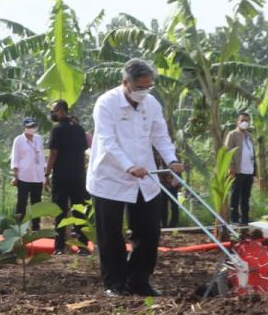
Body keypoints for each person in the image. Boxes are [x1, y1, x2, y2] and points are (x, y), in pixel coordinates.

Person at [87, 58, 182, 297]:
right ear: (125, 83)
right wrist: (129, 166)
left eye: (148, 87)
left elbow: (160, 135)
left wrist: (171, 161)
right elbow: (108, 141)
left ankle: (139, 281)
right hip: (109, 176)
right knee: (110, 234)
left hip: (145, 177)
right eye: (140, 87)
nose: (144, 92)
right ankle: (115, 284)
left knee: (149, 231)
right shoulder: (106, 103)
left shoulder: (152, 104)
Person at [45, 100, 89, 254]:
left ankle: (59, 247)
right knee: (79, 210)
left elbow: (53, 153)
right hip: (78, 176)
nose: (53, 113)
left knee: (60, 211)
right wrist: (82, 172)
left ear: (61, 110)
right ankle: (83, 245)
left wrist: (46, 174)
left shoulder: (57, 129)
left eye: (54, 110)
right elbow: (83, 154)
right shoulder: (79, 128)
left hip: (61, 176)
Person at [10, 117, 45, 230]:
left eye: (33, 126)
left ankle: (36, 227)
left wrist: (45, 174)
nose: (31, 129)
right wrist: (15, 176)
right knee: (21, 203)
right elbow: (15, 159)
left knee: (37, 203)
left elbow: (42, 156)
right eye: (29, 127)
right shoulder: (18, 140)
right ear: (24, 127)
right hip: (24, 176)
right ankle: (19, 227)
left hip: (37, 176)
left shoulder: (39, 138)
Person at [225, 112, 256, 225]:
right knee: (235, 195)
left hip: (249, 171)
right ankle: (234, 218)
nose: (244, 123)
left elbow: (253, 153)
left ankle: (245, 219)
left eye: (247, 121)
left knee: (245, 196)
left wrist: (255, 171)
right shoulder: (233, 134)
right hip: (237, 170)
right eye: (242, 120)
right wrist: (231, 167)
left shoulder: (249, 136)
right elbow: (228, 151)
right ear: (237, 121)